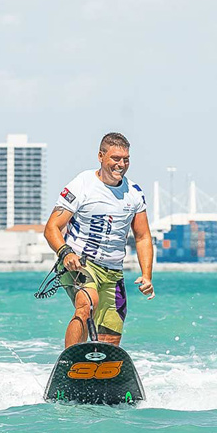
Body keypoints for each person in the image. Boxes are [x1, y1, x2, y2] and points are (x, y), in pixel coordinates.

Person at [43, 132, 155, 348]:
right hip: (79, 263)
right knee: (87, 303)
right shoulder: (81, 185)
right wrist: (65, 253)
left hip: (113, 272)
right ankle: (69, 363)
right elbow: (52, 228)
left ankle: (100, 376)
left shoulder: (134, 193)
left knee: (110, 339)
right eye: (115, 158)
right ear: (101, 156)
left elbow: (142, 237)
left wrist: (146, 275)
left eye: (126, 159)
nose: (121, 164)